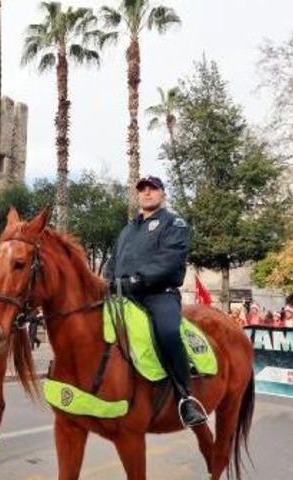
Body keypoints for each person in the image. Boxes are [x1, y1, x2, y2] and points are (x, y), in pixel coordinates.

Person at [105, 175, 206, 427]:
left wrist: (136, 281)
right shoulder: (128, 229)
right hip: (122, 295)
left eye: (153, 189)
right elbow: (113, 260)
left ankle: (186, 398)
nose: (147, 193)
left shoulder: (174, 223)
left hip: (159, 294)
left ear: (162, 194)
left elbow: (169, 261)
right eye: (142, 190)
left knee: (169, 332)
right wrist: (106, 281)